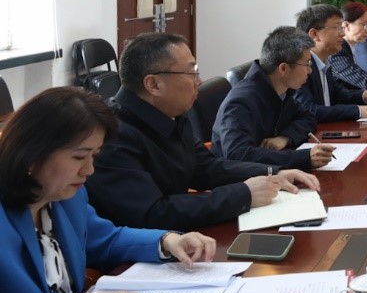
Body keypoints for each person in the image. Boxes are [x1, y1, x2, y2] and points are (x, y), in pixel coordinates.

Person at [0, 87, 216, 293]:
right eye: (79, 157)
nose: (89, 170)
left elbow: (106, 240)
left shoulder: (68, 197)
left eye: (94, 156)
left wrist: (167, 241)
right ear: (32, 155)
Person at [87, 33, 320, 230]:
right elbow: (152, 213)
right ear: (153, 84)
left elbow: (205, 168)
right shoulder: (112, 135)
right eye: (192, 73)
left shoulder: (171, 114)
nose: (199, 81)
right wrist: (244, 194)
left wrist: (275, 173)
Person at [211, 27, 335, 170]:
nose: (310, 70)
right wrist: (303, 158)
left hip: (269, 173)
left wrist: (285, 138)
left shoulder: (281, 91)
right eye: (307, 64)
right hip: (238, 179)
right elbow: (238, 154)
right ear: (283, 68)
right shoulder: (240, 102)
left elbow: (308, 117)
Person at [293, 4, 367, 121]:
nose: (343, 33)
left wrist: (363, 96)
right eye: (337, 28)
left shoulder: (324, 61)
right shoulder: (300, 67)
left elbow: (336, 94)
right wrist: (358, 111)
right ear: (314, 34)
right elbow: (308, 110)